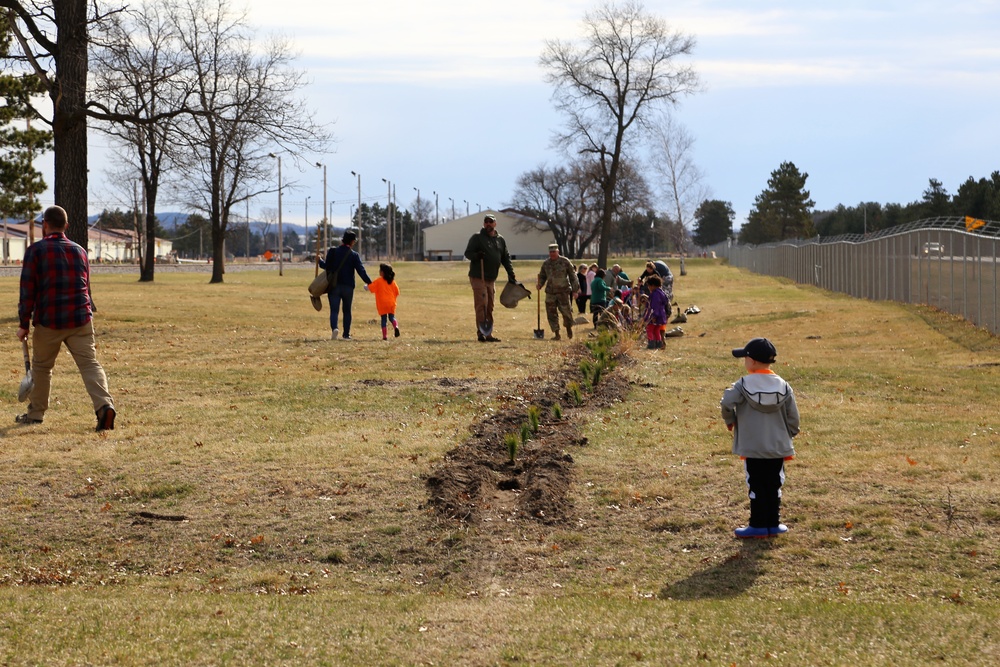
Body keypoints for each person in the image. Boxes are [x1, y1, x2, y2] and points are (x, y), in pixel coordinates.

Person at [16, 205, 116, 431]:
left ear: (45, 225)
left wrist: (23, 324)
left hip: (49, 320)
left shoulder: (36, 251)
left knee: (41, 367)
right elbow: (86, 286)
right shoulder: (80, 251)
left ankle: (36, 414)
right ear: (66, 226)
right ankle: (104, 406)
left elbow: (27, 291)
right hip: (80, 318)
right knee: (90, 364)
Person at [720, 338, 800, 539]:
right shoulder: (783, 385)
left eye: (745, 357)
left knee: (755, 483)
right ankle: (773, 523)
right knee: (774, 483)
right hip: (777, 446)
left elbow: (727, 402)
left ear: (752, 361)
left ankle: (757, 524)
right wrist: (789, 433)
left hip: (752, 446)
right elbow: (793, 416)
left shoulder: (742, 384)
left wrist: (730, 420)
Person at [464, 213, 516, 342]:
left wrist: (511, 273)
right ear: (483, 224)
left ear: (495, 224)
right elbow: (468, 253)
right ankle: (481, 333)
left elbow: (505, 258)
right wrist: (477, 256)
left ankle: (489, 334)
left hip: (491, 278)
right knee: (481, 304)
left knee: (490, 305)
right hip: (478, 277)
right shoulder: (477, 238)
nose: (488, 224)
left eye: (490, 222)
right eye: (486, 222)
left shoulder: (500, 240)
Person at [319, 230, 372, 340]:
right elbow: (361, 271)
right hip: (348, 287)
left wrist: (319, 261)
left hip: (334, 286)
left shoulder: (333, 251)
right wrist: (370, 283)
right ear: (352, 242)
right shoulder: (354, 255)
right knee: (347, 311)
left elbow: (327, 266)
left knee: (334, 310)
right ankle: (346, 334)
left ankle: (334, 328)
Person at [536, 243, 579, 341]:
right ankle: (556, 333)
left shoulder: (565, 262)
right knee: (551, 313)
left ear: (558, 252)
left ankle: (568, 328)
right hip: (550, 292)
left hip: (563, 291)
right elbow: (542, 276)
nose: (552, 254)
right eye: (550, 252)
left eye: (554, 252)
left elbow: (573, 276)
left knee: (566, 312)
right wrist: (540, 284)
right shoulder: (546, 263)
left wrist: (575, 290)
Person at [367, 263, 401, 341]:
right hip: (391, 303)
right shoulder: (392, 282)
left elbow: (371, 288)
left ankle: (385, 336)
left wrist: (366, 287)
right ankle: (396, 326)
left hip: (382, 303)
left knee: (383, 319)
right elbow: (397, 292)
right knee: (392, 317)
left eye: (380, 270)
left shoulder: (379, 280)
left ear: (383, 272)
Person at [643, 274, 669, 349]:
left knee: (650, 329)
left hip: (655, 316)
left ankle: (651, 344)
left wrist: (654, 316)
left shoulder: (655, 295)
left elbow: (655, 306)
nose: (648, 288)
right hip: (661, 315)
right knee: (657, 330)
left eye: (649, 286)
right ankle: (658, 343)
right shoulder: (661, 293)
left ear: (653, 285)